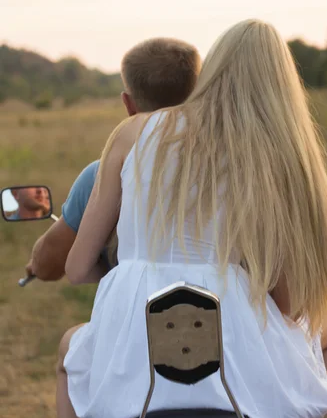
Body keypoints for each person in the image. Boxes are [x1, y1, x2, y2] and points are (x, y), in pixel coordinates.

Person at [57, 20, 327, 418]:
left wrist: (133, 270)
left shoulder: (130, 133)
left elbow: (74, 268)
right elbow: (285, 301)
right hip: (235, 344)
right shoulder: (263, 150)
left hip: (133, 348)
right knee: (325, 343)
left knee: (72, 359)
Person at [25, 38, 201, 280]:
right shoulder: (229, 168)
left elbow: (57, 263)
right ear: (198, 95)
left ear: (128, 105)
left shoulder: (100, 176)